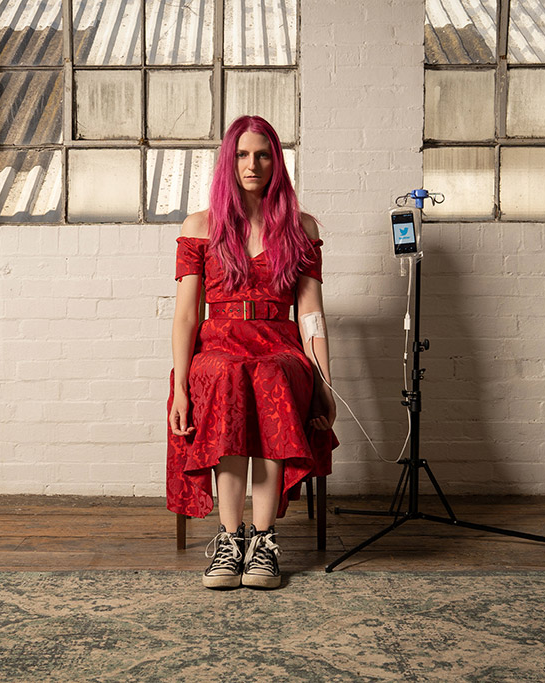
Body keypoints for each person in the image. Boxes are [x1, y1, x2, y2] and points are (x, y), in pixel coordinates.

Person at [167, 115, 338, 590]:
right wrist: (181, 388)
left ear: (276, 161)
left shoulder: (300, 227)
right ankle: (229, 538)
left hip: (278, 345)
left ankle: (263, 542)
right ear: (228, 161)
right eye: (242, 154)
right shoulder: (200, 226)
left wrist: (326, 386)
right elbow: (186, 316)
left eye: (262, 154)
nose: (252, 163)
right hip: (218, 344)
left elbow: (310, 316)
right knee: (225, 374)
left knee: (272, 375)